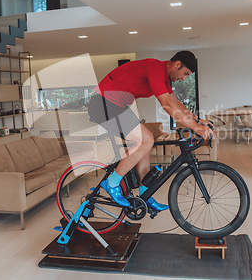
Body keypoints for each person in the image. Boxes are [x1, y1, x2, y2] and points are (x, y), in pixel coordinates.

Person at [88, 51, 214, 211]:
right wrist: (195, 128)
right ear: (177, 64)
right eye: (185, 73)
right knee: (145, 140)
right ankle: (112, 183)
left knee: (145, 145)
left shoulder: (164, 77)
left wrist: (197, 120)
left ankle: (144, 192)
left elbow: (175, 101)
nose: (184, 78)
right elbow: (167, 104)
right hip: (103, 102)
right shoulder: (155, 68)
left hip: (116, 104)